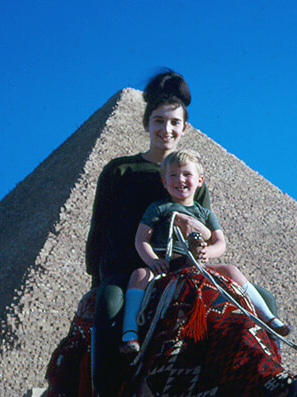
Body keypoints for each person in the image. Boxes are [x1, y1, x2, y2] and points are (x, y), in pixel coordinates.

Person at [87, 70, 212, 396]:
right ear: (146, 123)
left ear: (184, 127)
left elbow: (209, 232)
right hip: (128, 271)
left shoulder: (192, 176)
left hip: (181, 271)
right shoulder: (120, 170)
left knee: (256, 302)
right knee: (110, 304)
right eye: (159, 121)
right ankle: (104, 390)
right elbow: (98, 230)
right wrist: (96, 282)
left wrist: (199, 238)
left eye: (174, 122)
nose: (166, 130)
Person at [119, 149, 292, 353]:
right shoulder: (159, 208)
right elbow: (141, 239)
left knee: (230, 270)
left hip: (196, 264)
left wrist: (207, 253)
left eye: (187, 174)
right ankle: (129, 334)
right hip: (166, 265)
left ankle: (269, 320)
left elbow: (220, 243)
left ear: (200, 181)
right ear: (164, 182)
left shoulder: (205, 214)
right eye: (173, 175)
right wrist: (152, 260)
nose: (180, 179)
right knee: (139, 275)